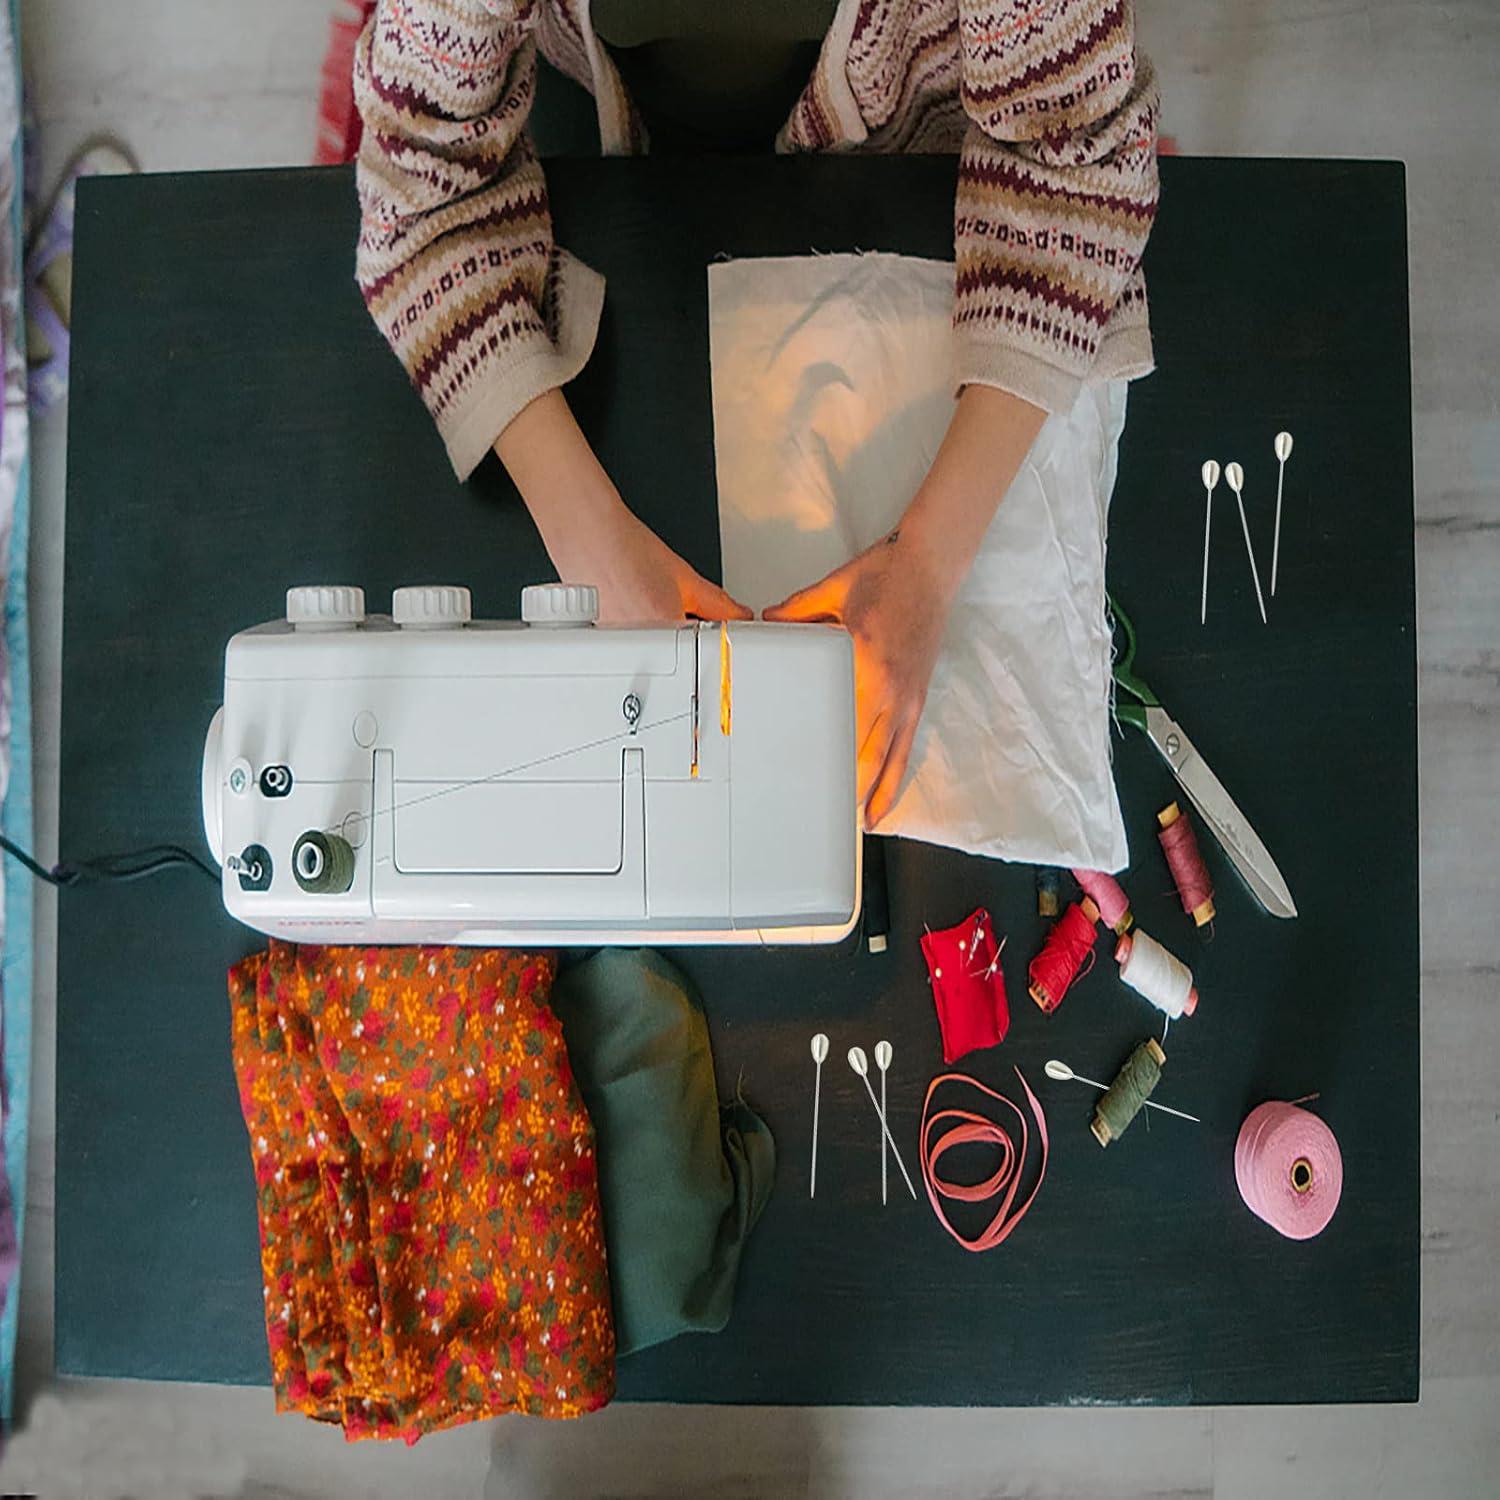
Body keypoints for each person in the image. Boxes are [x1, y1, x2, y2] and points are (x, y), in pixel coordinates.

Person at [353, 0, 1158, 826]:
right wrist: (585, 532)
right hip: (599, 107)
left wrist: (928, 564)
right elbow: (418, 181)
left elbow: (1080, 161)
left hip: (917, 134)